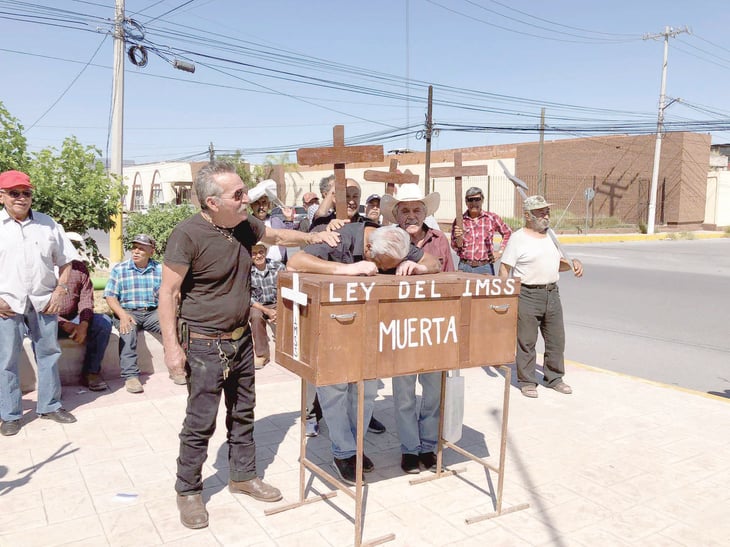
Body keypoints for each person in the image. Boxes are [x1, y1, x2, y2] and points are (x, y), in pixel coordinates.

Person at [158, 161, 339, 530]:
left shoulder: (242, 226)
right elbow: (168, 292)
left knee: (243, 413)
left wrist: (314, 238)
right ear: (212, 202)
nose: (246, 199)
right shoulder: (187, 235)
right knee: (200, 421)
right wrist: (171, 349)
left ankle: (243, 476)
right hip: (205, 345)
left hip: (240, 340)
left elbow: (276, 237)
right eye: (237, 194)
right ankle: (188, 489)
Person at [288, 224, 440, 485]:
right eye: (381, 265)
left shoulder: (392, 240)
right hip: (332, 330)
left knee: (367, 390)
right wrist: (346, 269)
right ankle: (343, 452)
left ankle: (355, 447)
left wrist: (419, 267)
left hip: (368, 333)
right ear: (367, 249)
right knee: (335, 391)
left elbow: (432, 261)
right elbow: (296, 261)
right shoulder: (341, 238)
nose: (384, 271)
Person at [381, 184, 454, 473]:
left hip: (435, 327)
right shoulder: (387, 239)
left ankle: (428, 446)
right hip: (400, 326)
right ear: (397, 214)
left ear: (425, 213)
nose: (411, 216)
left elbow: (451, 279)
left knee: (434, 392)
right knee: (404, 393)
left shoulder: (440, 240)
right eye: (405, 210)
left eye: (416, 210)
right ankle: (409, 450)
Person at [0, 170, 79, 436]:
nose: (22, 198)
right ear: (2, 197)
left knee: (49, 354)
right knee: (6, 360)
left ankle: (49, 405)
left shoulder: (48, 224)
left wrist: (61, 290)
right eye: (14, 193)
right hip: (7, 305)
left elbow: (66, 261)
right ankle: (10, 414)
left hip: (44, 301)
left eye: (26, 193)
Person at [499, 195, 583, 399]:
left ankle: (554, 378)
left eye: (547, 211)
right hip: (527, 294)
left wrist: (574, 264)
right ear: (528, 216)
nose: (546, 215)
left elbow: (556, 264)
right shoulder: (518, 238)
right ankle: (528, 381)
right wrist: (506, 295)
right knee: (526, 341)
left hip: (552, 293)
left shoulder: (550, 236)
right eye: (540, 212)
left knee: (556, 340)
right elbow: (504, 268)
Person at [103, 234, 163, 394]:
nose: (136, 251)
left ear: (151, 252)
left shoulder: (160, 269)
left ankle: (179, 367)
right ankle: (131, 377)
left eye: (141, 249)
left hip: (152, 312)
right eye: (134, 247)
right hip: (128, 312)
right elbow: (110, 296)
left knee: (175, 328)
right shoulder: (120, 269)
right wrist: (122, 315)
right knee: (127, 332)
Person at [57, 256, 113, 392]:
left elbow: (86, 299)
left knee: (103, 322)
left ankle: (91, 372)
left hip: (74, 317)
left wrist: (84, 324)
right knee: (39, 331)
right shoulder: (42, 268)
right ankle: (50, 383)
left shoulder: (78, 267)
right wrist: (64, 324)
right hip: (48, 319)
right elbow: (37, 305)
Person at [451, 186, 512, 275]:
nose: (474, 203)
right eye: (470, 200)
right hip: (464, 267)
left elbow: (508, 233)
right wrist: (458, 238)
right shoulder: (460, 221)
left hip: (485, 267)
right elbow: (454, 246)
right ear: (466, 202)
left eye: (477, 199)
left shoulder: (491, 218)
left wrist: (500, 252)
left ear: (482, 200)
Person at [250, 242, 285, 369]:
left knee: (291, 313)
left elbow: (287, 289)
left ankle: (288, 353)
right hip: (258, 305)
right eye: (254, 253)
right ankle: (262, 354)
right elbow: (248, 297)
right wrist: (267, 311)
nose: (258, 256)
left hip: (278, 303)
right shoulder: (246, 271)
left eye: (260, 252)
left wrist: (279, 309)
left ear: (265, 252)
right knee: (256, 317)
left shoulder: (278, 266)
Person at [248, 180, 294, 263]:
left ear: (268, 205)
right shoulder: (247, 224)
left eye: (264, 203)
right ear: (252, 206)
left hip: (279, 266)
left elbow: (288, 237)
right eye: (257, 203)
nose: (261, 207)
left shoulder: (276, 221)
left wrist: (289, 219)